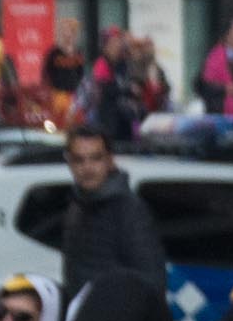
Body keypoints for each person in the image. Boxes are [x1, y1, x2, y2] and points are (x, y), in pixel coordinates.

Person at [58, 131, 169, 305]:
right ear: (70, 163)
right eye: (79, 159)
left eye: (95, 158)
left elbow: (151, 280)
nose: (87, 167)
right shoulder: (77, 206)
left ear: (110, 160)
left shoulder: (129, 210)